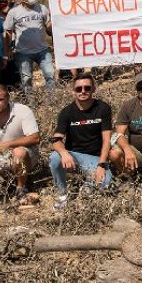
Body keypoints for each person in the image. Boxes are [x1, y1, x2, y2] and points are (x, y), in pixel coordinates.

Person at [48, 74, 113, 209]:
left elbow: (107, 140)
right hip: (74, 158)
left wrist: (101, 164)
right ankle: (62, 194)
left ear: (93, 89)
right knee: (55, 157)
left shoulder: (103, 108)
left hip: (95, 158)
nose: (83, 91)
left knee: (106, 182)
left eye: (87, 88)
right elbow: (56, 140)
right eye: (78, 89)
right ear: (73, 91)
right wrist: (65, 154)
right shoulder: (66, 112)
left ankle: (88, 184)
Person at [4, 0, 55, 91]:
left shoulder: (42, 8)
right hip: (23, 53)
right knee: (26, 80)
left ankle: (51, 101)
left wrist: (52, 23)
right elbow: (8, 31)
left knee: (50, 75)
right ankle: (30, 104)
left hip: (43, 51)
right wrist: (7, 49)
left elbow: (48, 28)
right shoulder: (14, 12)